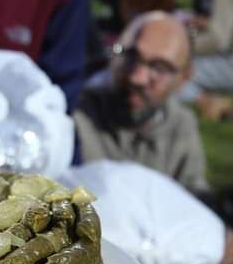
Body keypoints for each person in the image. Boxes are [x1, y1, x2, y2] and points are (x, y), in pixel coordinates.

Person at [74, 12, 209, 196]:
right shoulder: (76, 113)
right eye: (131, 57)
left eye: (160, 68)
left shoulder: (181, 126)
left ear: (184, 78)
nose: (137, 78)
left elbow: (194, 199)